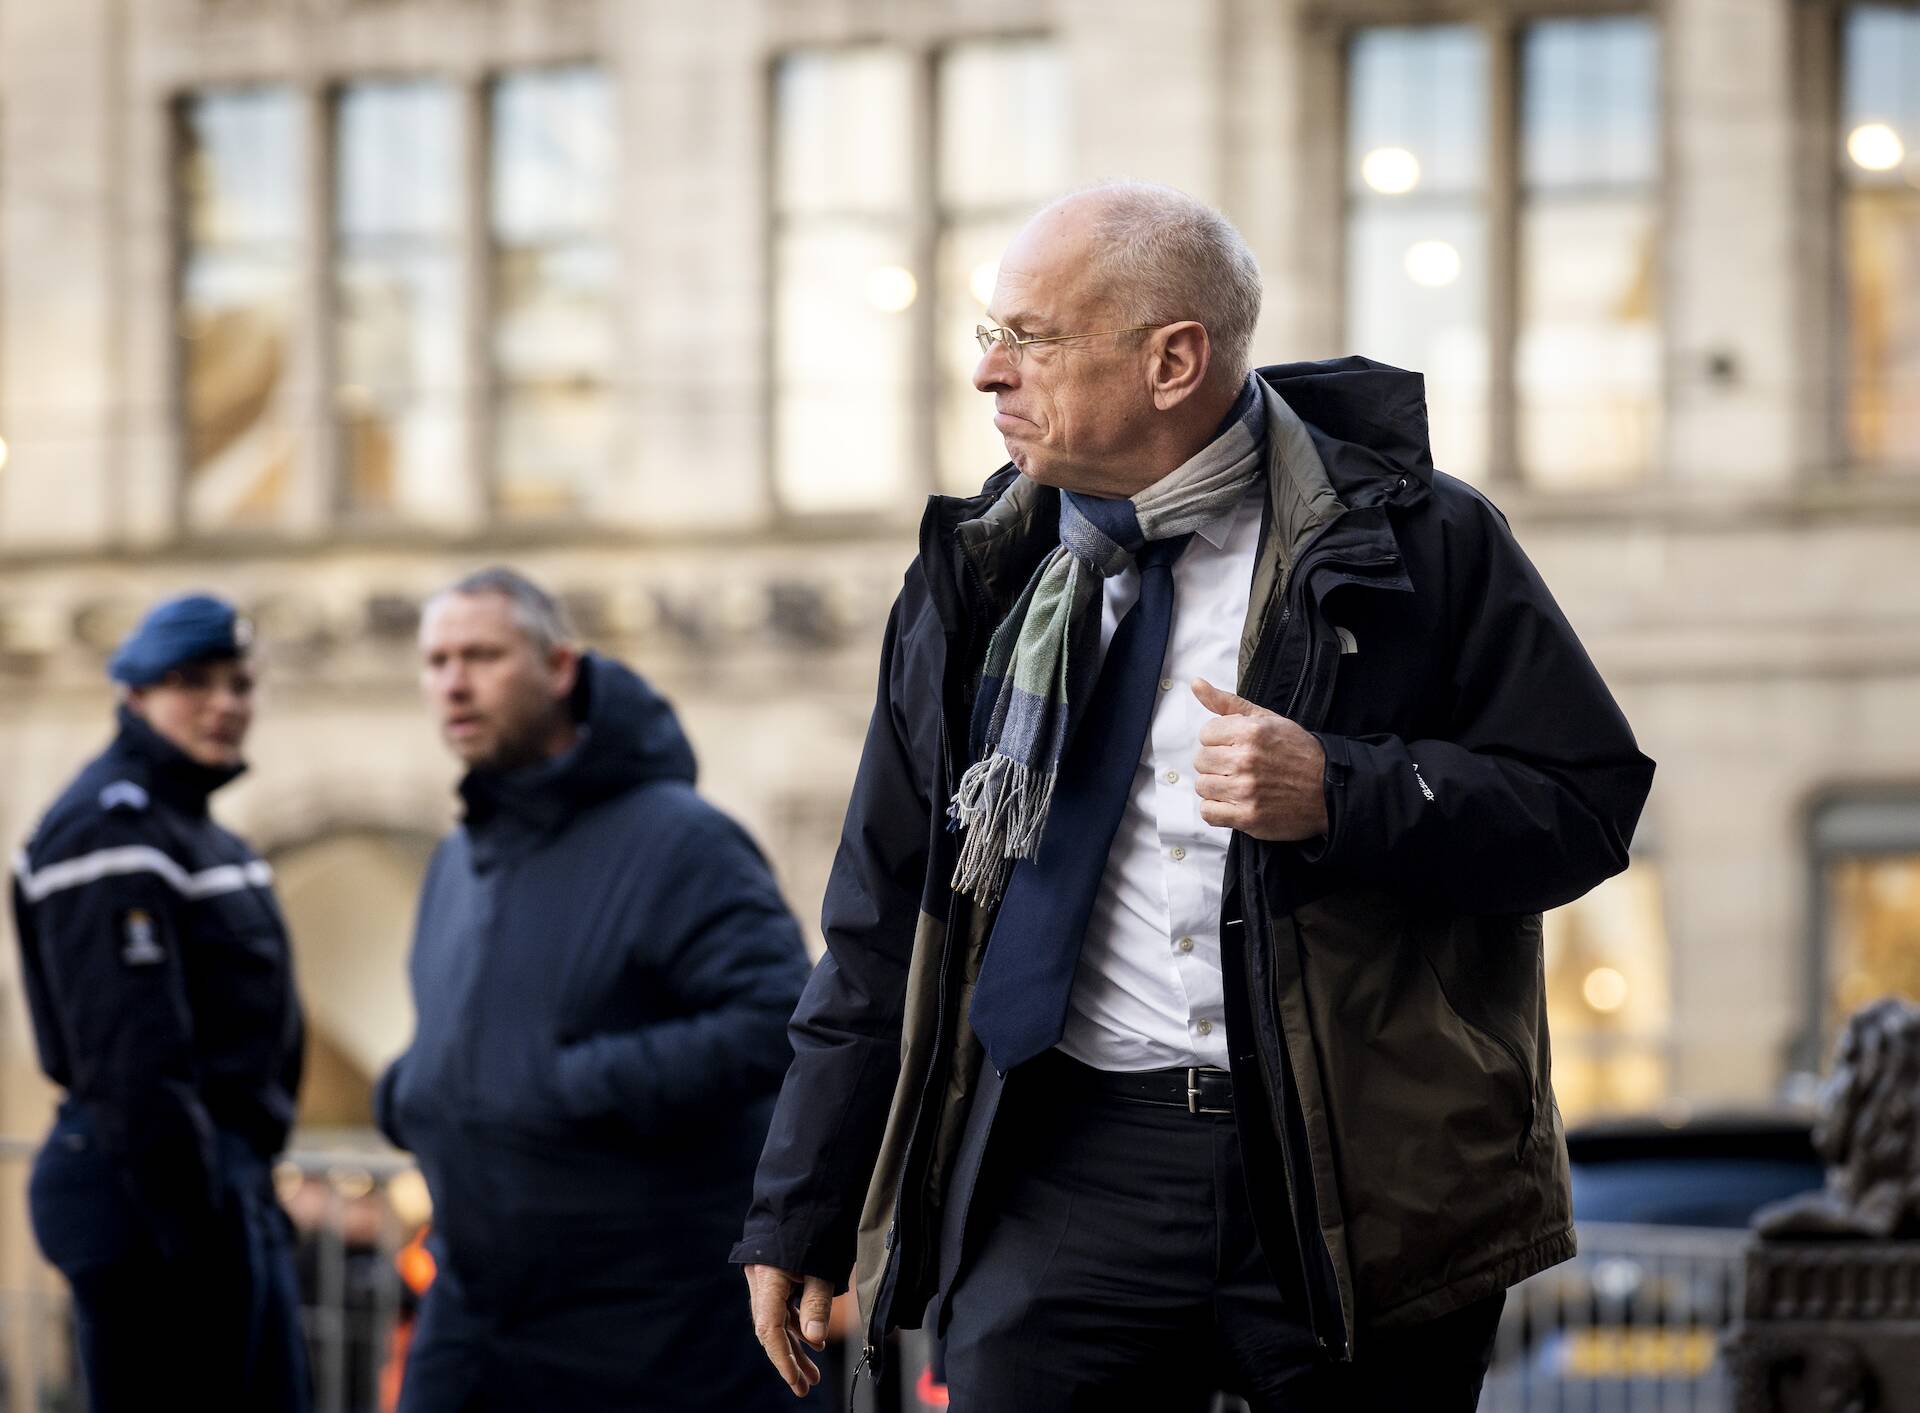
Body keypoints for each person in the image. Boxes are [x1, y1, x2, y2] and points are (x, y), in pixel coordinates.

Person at [736, 182, 1657, 1412]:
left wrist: (1343, 790)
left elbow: (1585, 803)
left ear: (1174, 360)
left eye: (1035, 338)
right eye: (988, 336)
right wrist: (803, 1201)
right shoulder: (981, 575)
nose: (990, 376)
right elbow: (885, 908)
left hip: (1353, 1189)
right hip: (1059, 1169)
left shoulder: (1419, 544)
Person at [376, 567, 816, 1412]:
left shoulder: (681, 840)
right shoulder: (457, 861)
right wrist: (413, 1089)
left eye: (482, 655)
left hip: (651, 1323)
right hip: (475, 1308)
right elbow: (464, 1037)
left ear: (560, 667)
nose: (454, 682)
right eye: (436, 661)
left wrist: (571, 1085)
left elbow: (777, 1019)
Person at [10, 593, 309, 1413]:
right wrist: (201, 1228)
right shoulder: (108, 829)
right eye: (194, 682)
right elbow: (132, 1061)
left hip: (218, 1190)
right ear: (135, 694)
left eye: (241, 683)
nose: (225, 704)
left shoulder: (197, 831)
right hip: (157, 1203)